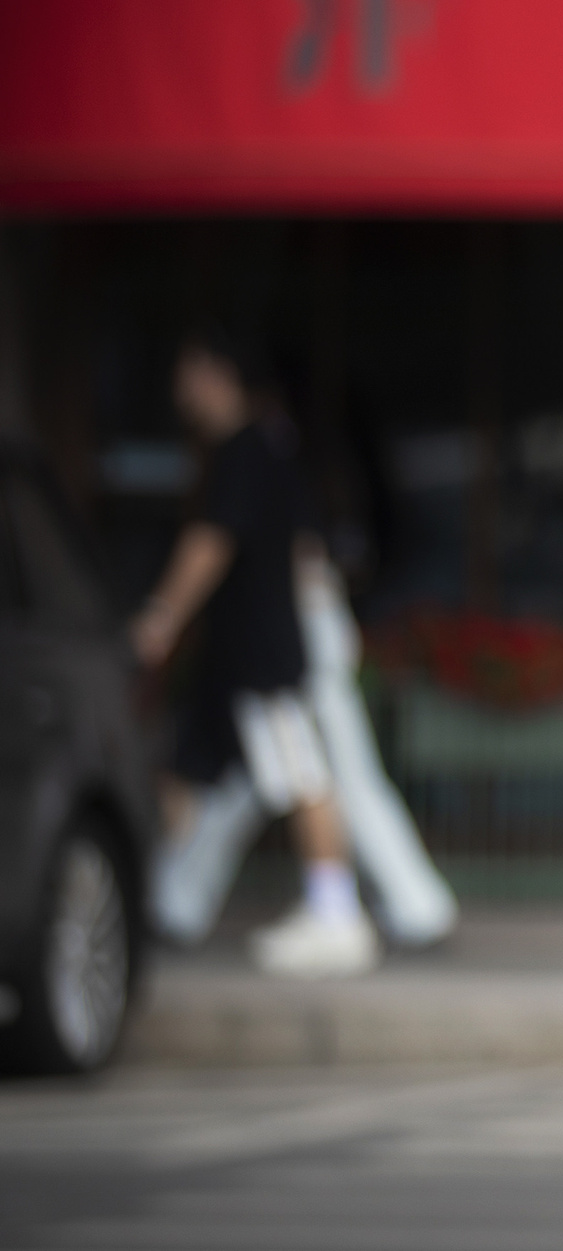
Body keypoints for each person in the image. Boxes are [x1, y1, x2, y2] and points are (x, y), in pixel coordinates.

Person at [136, 326, 378, 977]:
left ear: (217, 372)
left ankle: (336, 912)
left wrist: (160, 617)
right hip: (235, 654)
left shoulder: (249, 448)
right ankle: (152, 903)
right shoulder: (257, 447)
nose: (181, 386)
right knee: (187, 773)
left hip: (263, 654)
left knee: (300, 774)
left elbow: (212, 541)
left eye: (190, 369)